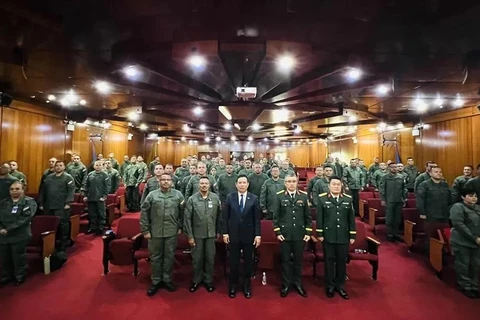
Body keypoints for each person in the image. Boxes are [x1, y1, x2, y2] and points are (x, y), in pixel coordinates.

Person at [140, 173, 185, 296]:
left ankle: (167, 279)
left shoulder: (178, 195)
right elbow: (144, 213)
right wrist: (145, 230)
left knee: (169, 257)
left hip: (171, 231)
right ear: (159, 181)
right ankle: (155, 281)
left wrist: (180, 226)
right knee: (155, 257)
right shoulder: (152, 195)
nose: (165, 182)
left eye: (168, 180)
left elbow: (183, 213)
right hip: (155, 232)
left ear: (172, 182)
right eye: (163, 180)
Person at [222, 175, 261, 299]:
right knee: (234, 262)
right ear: (236, 184)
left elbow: (257, 219)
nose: (242, 185)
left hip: (249, 236)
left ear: (248, 184)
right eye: (240, 182)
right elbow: (225, 217)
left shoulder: (254, 198)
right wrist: (225, 233)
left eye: (244, 182)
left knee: (248, 262)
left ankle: (246, 286)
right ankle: (233, 286)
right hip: (233, 235)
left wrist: (258, 235)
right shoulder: (230, 197)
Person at [316, 176, 356, 300]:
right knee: (329, 261)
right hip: (328, 236)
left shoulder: (348, 199)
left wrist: (352, 234)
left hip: (343, 236)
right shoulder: (322, 199)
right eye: (334, 184)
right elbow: (320, 218)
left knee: (341, 261)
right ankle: (330, 285)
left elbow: (351, 218)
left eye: (338, 184)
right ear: (329, 186)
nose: (336, 186)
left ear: (341, 186)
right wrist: (320, 234)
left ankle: (340, 285)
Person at [273, 173, 311, 298]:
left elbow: (308, 217)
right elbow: (276, 217)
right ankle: (286, 284)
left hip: (300, 235)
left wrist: (308, 232)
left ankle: (298, 283)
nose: (291, 183)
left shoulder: (304, 197)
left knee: (298, 261)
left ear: (297, 182)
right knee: (285, 260)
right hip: (285, 235)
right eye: (288, 181)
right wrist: (278, 232)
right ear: (285, 183)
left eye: (293, 181)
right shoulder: (279, 197)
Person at [183, 177, 221, 293]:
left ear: (209, 185)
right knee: (197, 259)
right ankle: (196, 280)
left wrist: (218, 231)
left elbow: (219, 216)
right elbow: (187, 218)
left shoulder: (215, 198)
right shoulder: (192, 199)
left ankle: (208, 280)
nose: (204, 185)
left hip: (211, 234)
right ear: (198, 185)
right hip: (197, 235)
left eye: (206, 183)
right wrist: (189, 235)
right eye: (202, 183)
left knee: (210, 258)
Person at [0, 181, 37, 286]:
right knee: (4, 257)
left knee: (18, 257)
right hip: (3, 235)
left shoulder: (29, 202)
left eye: (17, 189)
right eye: (12, 189)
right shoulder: (4, 202)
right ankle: (6, 276)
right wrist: (1, 228)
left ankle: (19, 275)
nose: (14, 191)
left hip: (20, 234)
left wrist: (8, 229)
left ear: (22, 190)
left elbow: (25, 219)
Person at [449, 189, 480, 299]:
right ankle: (465, 286)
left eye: (475, 196)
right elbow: (459, 225)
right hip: (462, 241)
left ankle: (474, 286)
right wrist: (474, 238)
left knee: (475, 265)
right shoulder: (457, 207)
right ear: (463, 197)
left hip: (476, 243)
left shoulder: (478, 208)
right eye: (471, 196)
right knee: (463, 264)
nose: (474, 198)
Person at [39, 161, 75, 251]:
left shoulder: (68, 177)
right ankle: (52, 242)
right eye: (56, 166)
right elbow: (43, 191)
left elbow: (71, 191)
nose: (58, 167)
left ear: (64, 167)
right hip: (49, 205)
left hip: (61, 205)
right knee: (50, 224)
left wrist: (68, 203)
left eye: (60, 165)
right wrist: (41, 203)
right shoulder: (49, 177)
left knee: (63, 224)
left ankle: (64, 241)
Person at [416, 166, 452, 247]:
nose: (439, 173)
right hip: (430, 214)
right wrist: (422, 212)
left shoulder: (444, 184)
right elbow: (420, 199)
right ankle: (429, 254)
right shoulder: (424, 184)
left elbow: (449, 199)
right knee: (431, 236)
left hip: (444, 214)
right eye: (436, 172)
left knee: (444, 235)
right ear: (430, 173)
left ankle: (443, 254)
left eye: (440, 172)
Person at [379, 163, 407, 242]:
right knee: (390, 218)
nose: (394, 169)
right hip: (389, 200)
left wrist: (404, 198)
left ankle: (395, 233)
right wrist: (383, 199)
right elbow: (382, 189)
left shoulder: (401, 177)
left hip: (399, 200)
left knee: (397, 218)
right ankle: (389, 234)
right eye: (392, 167)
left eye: (395, 167)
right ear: (389, 168)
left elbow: (404, 189)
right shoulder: (385, 177)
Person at [82, 161, 111, 235]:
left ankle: (101, 227)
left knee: (101, 213)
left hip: (100, 198)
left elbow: (107, 186)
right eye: (96, 165)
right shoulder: (90, 174)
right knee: (92, 213)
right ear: (94, 166)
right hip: (91, 197)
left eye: (99, 165)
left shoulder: (105, 175)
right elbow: (86, 185)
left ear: (102, 166)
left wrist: (104, 196)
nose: (98, 166)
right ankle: (93, 227)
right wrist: (85, 195)